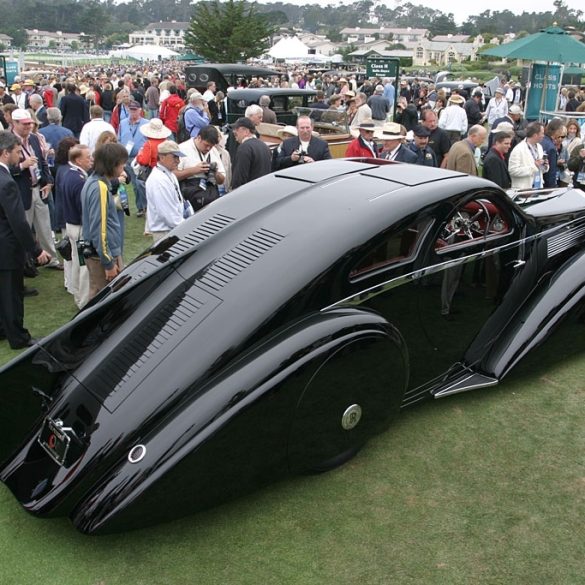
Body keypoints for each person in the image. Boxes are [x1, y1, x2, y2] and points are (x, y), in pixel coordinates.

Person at [0, 130, 51, 349]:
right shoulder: (6, 183)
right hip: (7, 246)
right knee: (11, 294)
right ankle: (18, 338)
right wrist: (36, 250)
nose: (19, 156)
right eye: (16, 152)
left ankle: (3, 330)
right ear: (5, 153)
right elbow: (18, 222)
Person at [81, 142, 127, 300]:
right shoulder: (99, 187)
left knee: (95, 299)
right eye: (122, 164)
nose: (123, 167)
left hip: (96, 254)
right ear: (112, 165)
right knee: (109, 302)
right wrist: (108, 263)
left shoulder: (92, 182)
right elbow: (99, 228)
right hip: (102, 257)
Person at [60, 144, 92, 308]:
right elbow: (83, 210)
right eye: (88, 157)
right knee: (84, 267)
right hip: (80, 229)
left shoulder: (68, 174)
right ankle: (84, 301)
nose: (91, 160)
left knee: (76, 263)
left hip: (71, 226)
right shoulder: (78, 181)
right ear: (78, 160)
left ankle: (78, 296)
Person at [146, 140, 189, 243]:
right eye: (174, 157)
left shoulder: (168, 174)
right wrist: (187, 227)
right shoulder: (159, 180)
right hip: (166, 233)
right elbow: (168, 215)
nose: (178, 161)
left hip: (171, 229)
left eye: (178, 157)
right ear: (162, 157)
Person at [175, 125, 226, 210]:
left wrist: (214, 172)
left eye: (211, 146)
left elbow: (222, 180)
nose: (208, 148)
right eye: (206, 145)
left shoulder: (214, 151)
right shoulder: (182, 149)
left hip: (210, 195)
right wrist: (195, 170)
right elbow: (173, 175)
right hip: (189, 197)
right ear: (199, 138)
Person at [230, 117, 272, 190]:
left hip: (248, 194)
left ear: (246, 131)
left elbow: (239, 177)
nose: (234, 132)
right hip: (264, 191)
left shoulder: (244, 148)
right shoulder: (264, 146)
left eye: (237, 129)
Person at [508, 122, 547, 190]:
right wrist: (534, 166)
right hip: (523, 190)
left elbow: (540, 169)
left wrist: (545, 165)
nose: (544, 136)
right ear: (535, 135)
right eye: (542, 133)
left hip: (538, 188)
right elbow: (512, 171)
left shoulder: (539, 147)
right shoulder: (518, 149)